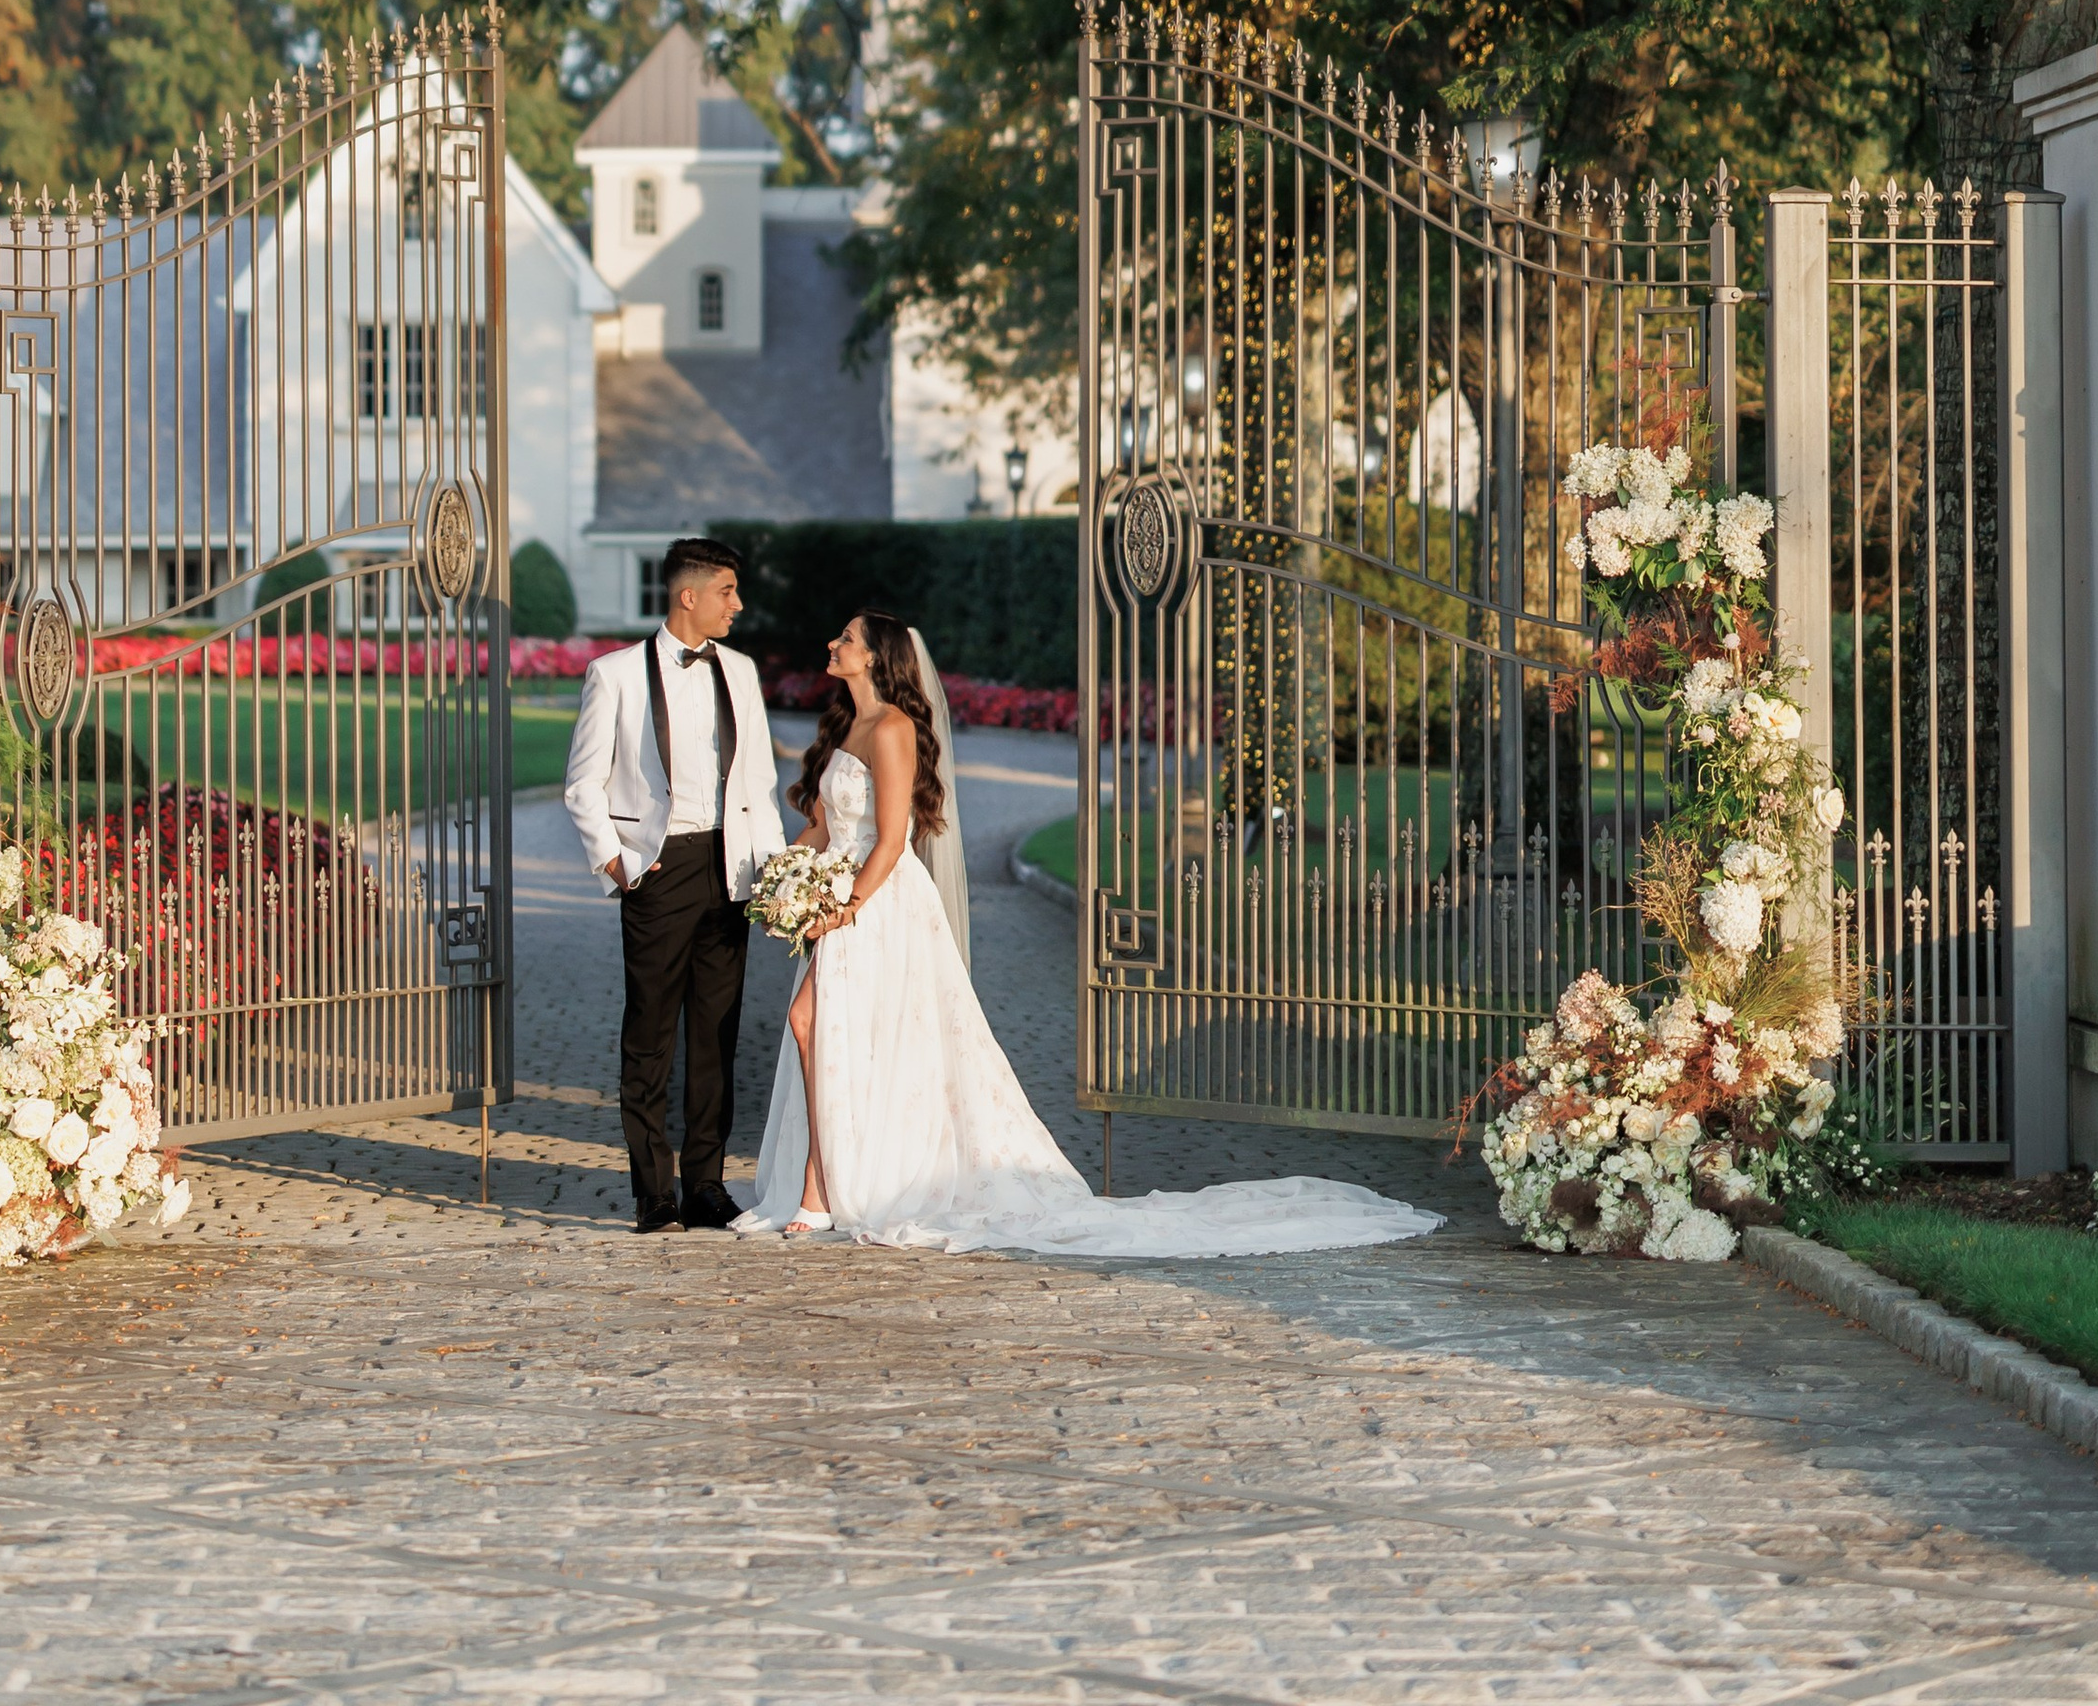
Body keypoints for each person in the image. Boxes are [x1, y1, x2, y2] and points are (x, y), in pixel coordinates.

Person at [737, 612, 1442, 1258]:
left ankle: (824, 1188)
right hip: (838, 896)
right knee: (823, 1029)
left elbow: (892, 840)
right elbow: (824, 827)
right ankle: (828, 1181)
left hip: (879, 903)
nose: (833, 643)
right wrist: (785, 881)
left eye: (847, 638)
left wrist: (844, 906)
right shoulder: (844, 724)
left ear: (876, 657)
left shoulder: (892, 728)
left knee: (817, 1023)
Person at [563, 536, 787, 1232]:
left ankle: (706, 1187)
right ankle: (653, 1193)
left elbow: (760, 783)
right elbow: (582, 785)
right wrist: (618, 863)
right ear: (689, 595)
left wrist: (772, 872)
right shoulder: (614, 675)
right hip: (657, 870)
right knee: (651, 1034)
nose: (737, 604)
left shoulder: (741, 671)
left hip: (730, 868)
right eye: (727, 591)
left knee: (716, 1034)